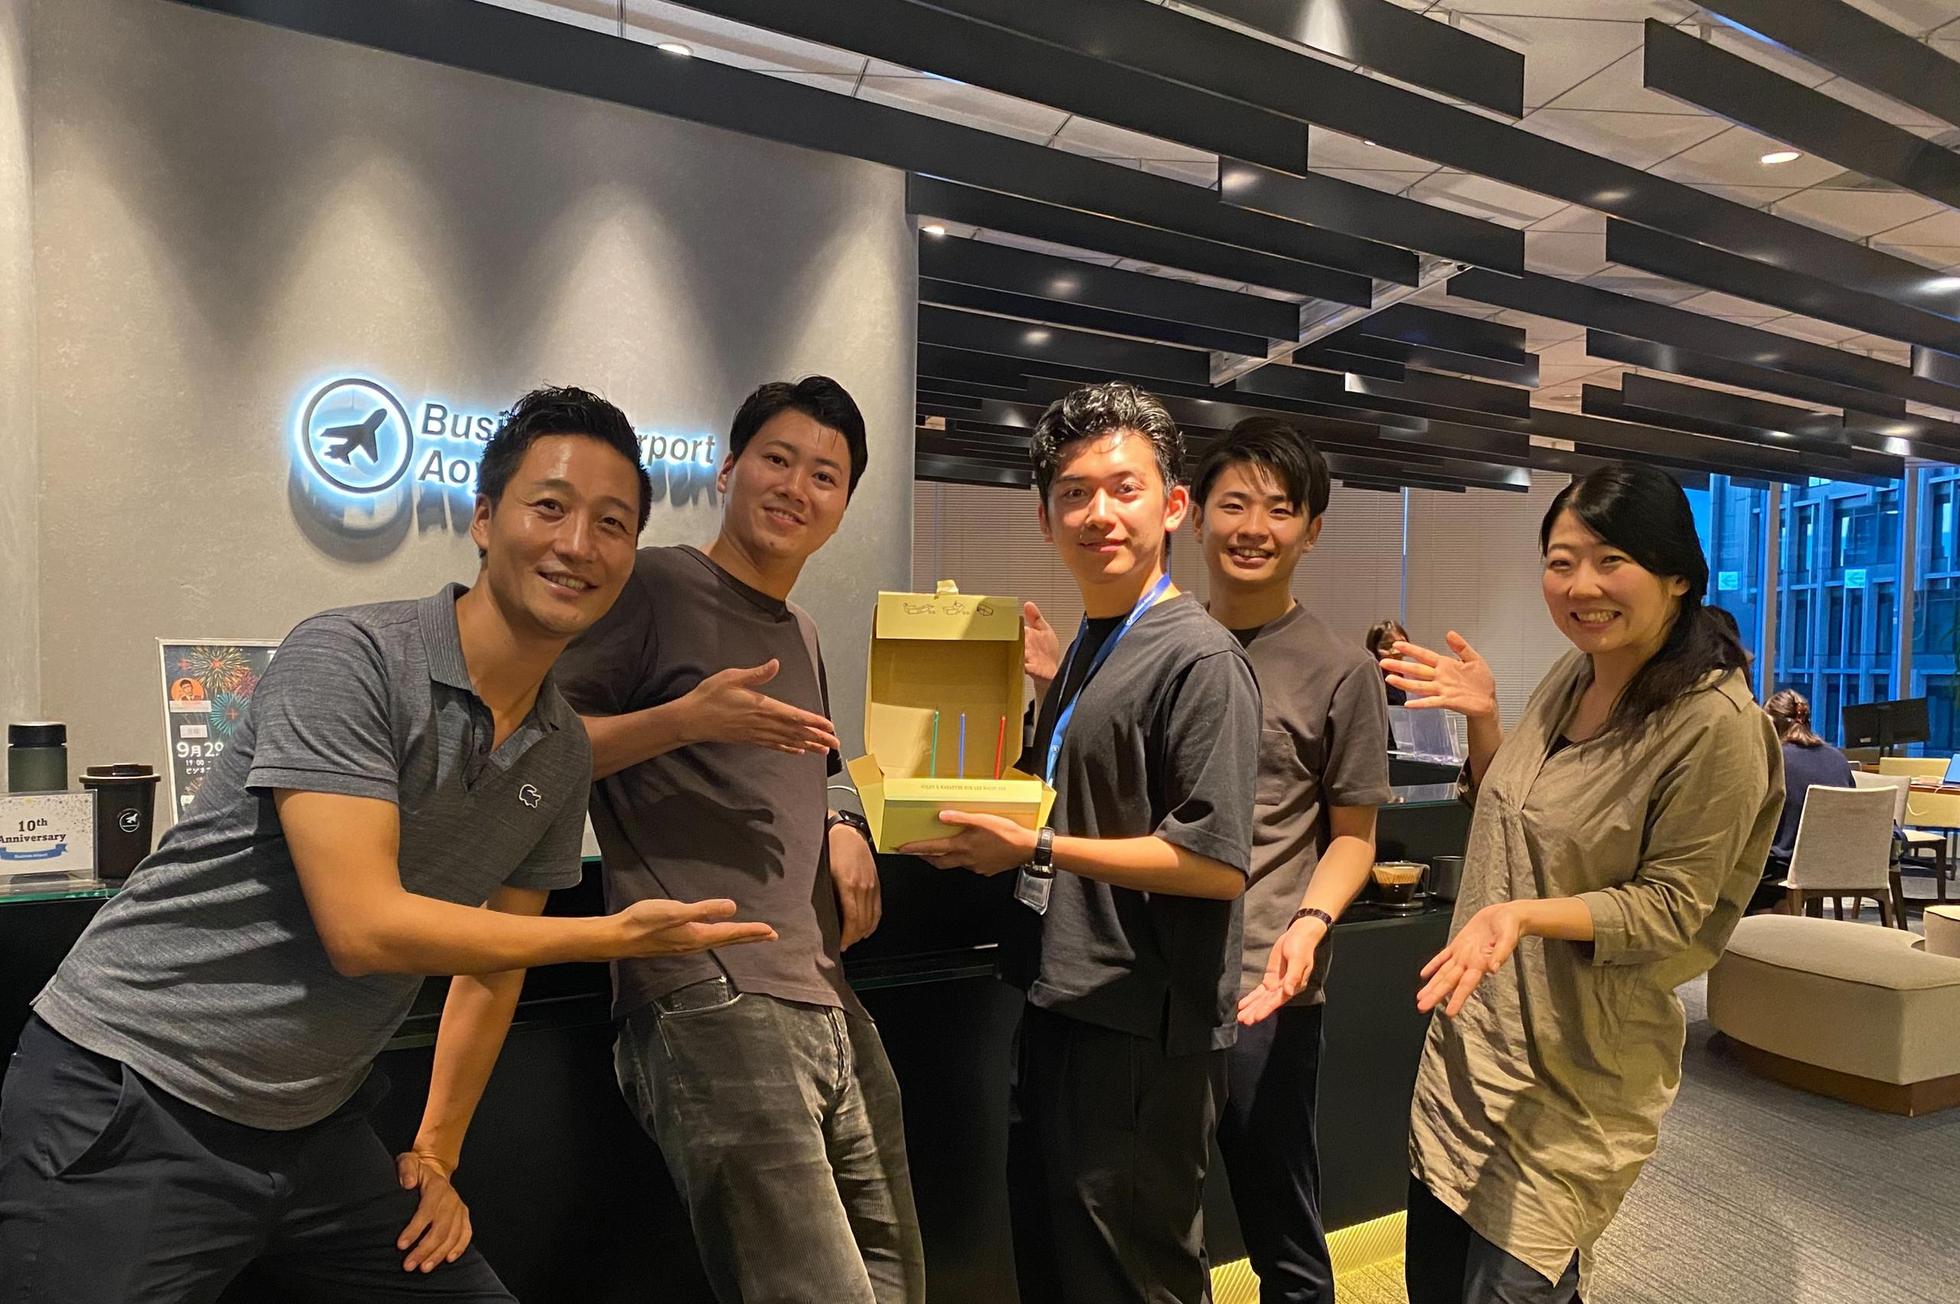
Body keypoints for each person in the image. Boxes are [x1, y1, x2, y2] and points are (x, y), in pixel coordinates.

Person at [0, 387, 775, 1302]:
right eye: (550, 507)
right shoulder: (352, 657)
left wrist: (436, 1155)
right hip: (134, 1092)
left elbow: (492, 970)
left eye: (612, 524)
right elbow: (362, 927)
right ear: (485, 519)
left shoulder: (562, 750)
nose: (578, 544)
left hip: (314, 1125)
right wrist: (605, 937)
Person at [555, 376, 925, 1304]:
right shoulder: (653, 584)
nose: (797, 487)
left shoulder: (801, 630)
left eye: (825, 476)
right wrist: (681, 720)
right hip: (711, 990)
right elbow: (534, 748)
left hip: (826, 994)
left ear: (843, 505)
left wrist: (842, 820)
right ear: (729, 470)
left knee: (897, 1285)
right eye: (778, 459)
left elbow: (801, 768)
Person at [1382, 462, 1783, 1304]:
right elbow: (1517, 815)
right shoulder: (1575, 677)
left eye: (1610, 561)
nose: (1581, 586)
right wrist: (1484, 718)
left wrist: (1523, 916)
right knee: (1435, 1287)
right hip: (1474, 1051)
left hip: (1578, 1073)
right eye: (1561, 563)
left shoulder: (1716, 725)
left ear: (1677, 576)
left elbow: (1675, 908)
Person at [901, 381, 1261, 1304]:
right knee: (1057, 1266)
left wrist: (1039, 849)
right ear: (1045, 517)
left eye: (1123, 488)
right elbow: (1079, 791)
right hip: (1061, 997)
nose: (1098, 513)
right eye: (1073, 493)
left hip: (1141, 1025)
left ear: (1172, 505)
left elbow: (1215, 864)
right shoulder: (1091, 650)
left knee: (1132, 1276)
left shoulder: (1201, 657)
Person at [1192, 418, 1392, 1304]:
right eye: (1234, 504)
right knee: (1161, 1222)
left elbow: (1353, 835)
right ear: (1194, 515)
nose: (1253, 527)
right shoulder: (1164, 645)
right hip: (1155, 979)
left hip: (1267, 985)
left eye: (1279, 509)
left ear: (1311, 530)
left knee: (1281, 1224)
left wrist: (1309, 924)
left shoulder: (1340, 668)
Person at [1758, 689, 1853, 906]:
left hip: (1786, 866)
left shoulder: (1774, 759)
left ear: (1770, 723)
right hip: (1839, 864)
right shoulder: (1838, 759)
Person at [1368, 618, 1411, 706]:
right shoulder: (1371, 680)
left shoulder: (1413, 676)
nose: (1396, 651)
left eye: (1402, 645)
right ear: (1374, 650)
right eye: (1387, 646)